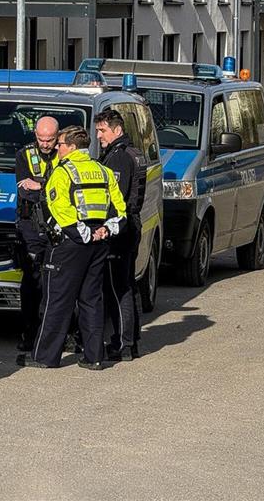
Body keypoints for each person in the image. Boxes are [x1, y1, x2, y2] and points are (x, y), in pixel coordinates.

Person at [17, 125, 126, 370]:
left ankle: (45, 357)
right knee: (92, 300)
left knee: (57, 299)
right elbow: (120, 210)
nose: (57, 147)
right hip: (99, 244)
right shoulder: (103, 171)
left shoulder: (62, 172)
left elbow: (60, 210)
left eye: (61, 144)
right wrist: (105, 230)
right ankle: (94, 356)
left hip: (70, 243)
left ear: (72, 147)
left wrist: (84, 234)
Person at [95, 109, 147, 361]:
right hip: (130, 225)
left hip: (120, 229)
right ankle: (130, 340)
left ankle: (123, 343)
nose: (98, 135)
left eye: (102, 130)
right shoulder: (132, 152)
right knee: (127, 284)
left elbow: (115, 198)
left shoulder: (119, 158)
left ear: (117, 130)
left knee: (118, 288)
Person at [13, 116, 59, 351]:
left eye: (49, 139)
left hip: (59, 225)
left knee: (58, 283)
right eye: (41, 139)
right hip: (31, 226)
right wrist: (50, 187)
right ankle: (30, 334)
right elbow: (24, 192)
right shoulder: (24, 155)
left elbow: (66, 189)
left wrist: (40, 185)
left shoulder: (64, 153)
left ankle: (60, 334)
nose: (45, 144)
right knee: (31, 283)